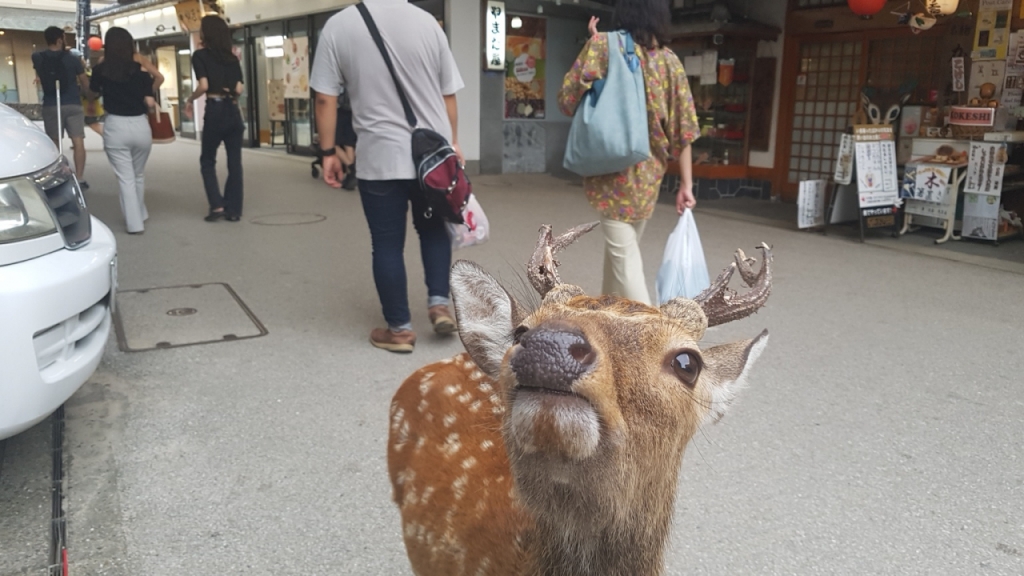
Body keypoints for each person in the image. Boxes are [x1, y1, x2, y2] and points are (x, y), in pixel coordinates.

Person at [310, 0, 464, 354]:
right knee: (433, 229)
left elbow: (324, 99)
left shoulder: (338, 26)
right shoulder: (429, 24)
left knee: (386, 242)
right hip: (432, 156)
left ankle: (399, 330)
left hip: (380, 156)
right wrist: (453, 143)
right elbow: (448, 95)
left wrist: (329, 152)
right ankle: (439, 305)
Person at [558, 4, 699, 305]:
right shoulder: (670, 61)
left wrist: (595, 49)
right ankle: (605, 312)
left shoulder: (602, 46)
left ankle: (655, 335)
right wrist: (686, 184)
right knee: (621, 252)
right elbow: (684, 129)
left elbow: (566, 100)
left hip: (611, 170)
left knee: (625, 257)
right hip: (649, 176)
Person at [90, 27, 163, 235]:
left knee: (126, 178)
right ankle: (140, 213)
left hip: (115, 126)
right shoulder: (139, 71)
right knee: (138, 174)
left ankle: (135, 223)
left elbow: (92, 93)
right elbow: (150, 99)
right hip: (141, 126)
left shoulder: (101, 70)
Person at [184, 15, 245, 223]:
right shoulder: (232, 57)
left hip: (216, 110)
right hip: (233, 110)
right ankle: (234, 209)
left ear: (206, 33)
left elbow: (204, 85)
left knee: (208, 160)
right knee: (234, 162)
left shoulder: (200, 56)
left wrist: (190, 99)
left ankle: (217, 205)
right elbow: (239, 88)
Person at [33, 27, 91, 189]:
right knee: (78, 140)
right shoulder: (72, 58)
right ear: (60, 39)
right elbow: (84, 80)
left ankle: (55, 175)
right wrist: (90, 95)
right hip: (73, 102)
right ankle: (79, 177)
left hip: (51, 104)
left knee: (54, 141)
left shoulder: (37, 57)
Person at [335, 88, 358, 191]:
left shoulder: (340, 78)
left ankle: (351, 167)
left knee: (332, 143)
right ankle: (350, 177)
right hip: (354, 113)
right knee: (349, 144)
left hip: (342, 112)